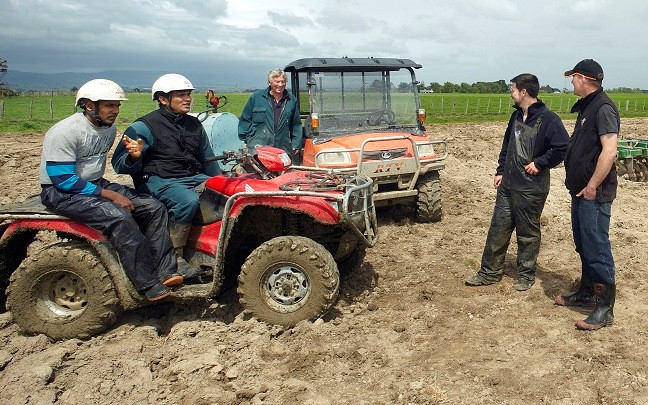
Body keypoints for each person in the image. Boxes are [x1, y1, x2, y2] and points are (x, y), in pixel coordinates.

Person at [39, 79, 181, 301]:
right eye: (109, 106)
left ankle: (166, 271)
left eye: (117, 106)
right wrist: (110, 195)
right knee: (119, 217)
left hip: (93, 183)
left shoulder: (108, 129)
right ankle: (147, 284)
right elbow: (62, 179)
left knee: (153, 207)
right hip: (61, 192)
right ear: (89, 106)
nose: (115, 111)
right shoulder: (66, 131)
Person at [465, 74, 569, 291]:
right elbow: (507, 145)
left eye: (512, 90)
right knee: (498, 228)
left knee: (527, 233)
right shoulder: (515, 117)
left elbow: (562, 148)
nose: (510, 94)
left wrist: (540, 163)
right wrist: (501, 170)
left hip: (532, 187)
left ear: (523, 92)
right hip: (508, 184)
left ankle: (525, 275)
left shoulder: (549, 119)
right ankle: (489, 272)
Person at [112, 74, 220, 278]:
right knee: (187, 201)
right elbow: (119, 164)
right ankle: (175, 258)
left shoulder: (194, 124)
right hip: (157, 180)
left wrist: (220, 181)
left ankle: (209, 248)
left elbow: (208, 159)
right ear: (163, 99)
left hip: (190, 176)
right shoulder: (143, 127)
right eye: (181, 95)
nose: (187, 99)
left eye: (188, 94)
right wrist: (134, 157)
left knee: (225, 192)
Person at [555, 59, 619, 330]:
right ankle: (587, 293)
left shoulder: (603, 108)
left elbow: (609, 151)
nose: (571, 82)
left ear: (583, 78)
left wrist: (592, 185)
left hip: (594, 193)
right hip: (580, 191)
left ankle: (604, 309)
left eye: (573, 77)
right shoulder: (587, 108)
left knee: (597, 248)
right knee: (584, 245)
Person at [238, 68, 303, 163]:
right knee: (258, 175)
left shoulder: (291, 100)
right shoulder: (257, 97)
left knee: (281, 176)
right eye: (277, 81)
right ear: (269, 82)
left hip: (282, 148)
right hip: (258, 148)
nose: (280, 85)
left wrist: (296, 144)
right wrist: (248, 139)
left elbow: (296, 124)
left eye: (283, 81)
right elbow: (245, 119)